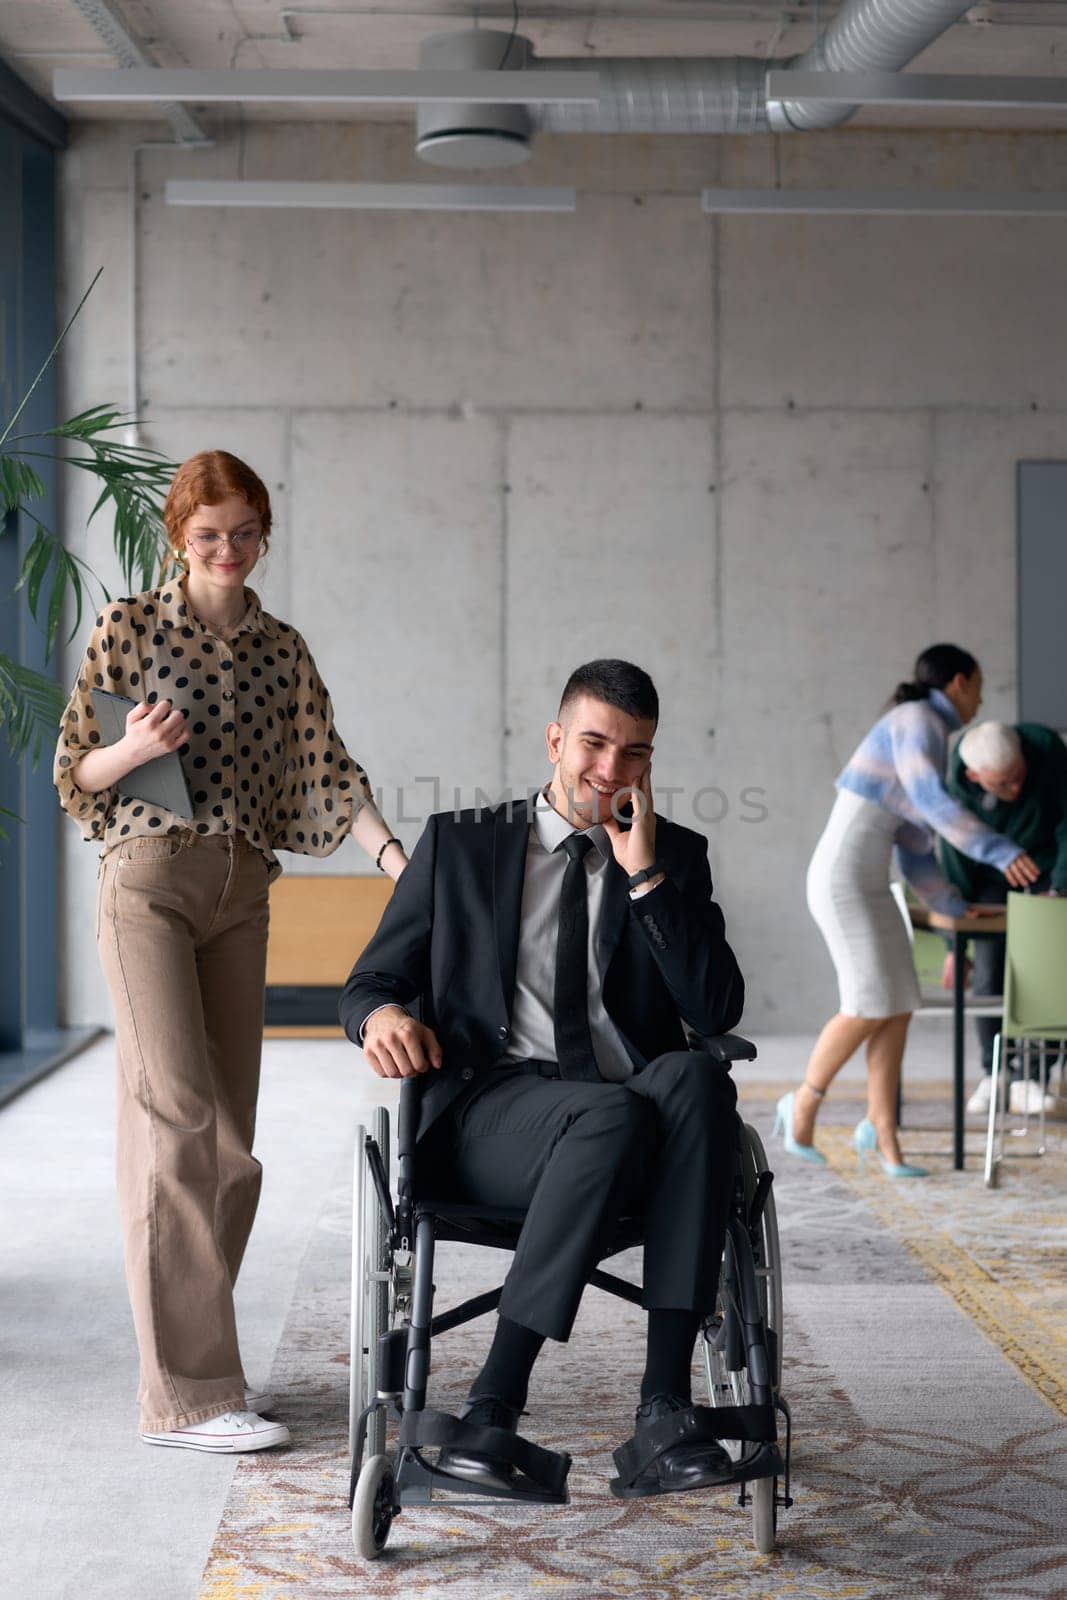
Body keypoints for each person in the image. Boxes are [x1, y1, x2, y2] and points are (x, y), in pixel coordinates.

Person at [54, 450, 408, 1454]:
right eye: (209, 534)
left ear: (264, 534)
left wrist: (393, 857)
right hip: (147, 880)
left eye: (246, 532)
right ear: (179, 536)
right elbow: (76, 766)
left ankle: (193, 1354)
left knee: (230, 1148)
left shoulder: (280, 649)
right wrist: (137, 749)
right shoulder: (130, 626)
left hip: (240, 891)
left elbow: (327, 770)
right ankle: (190, 1397)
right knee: (179, 1123)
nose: (228, 550)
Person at [339, 659, 746, 1496]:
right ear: (556, 740)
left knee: (696, 1085)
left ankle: (664, 1410)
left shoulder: (675, 858)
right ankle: (493, 1407)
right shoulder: (461, 844)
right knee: (611, 1118)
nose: (610, 769)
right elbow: (369, 982)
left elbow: (713, 1012)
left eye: (633, 753)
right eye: (594, 743)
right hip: (492, 1113)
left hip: (624, 1107)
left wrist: (644, 878)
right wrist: (381, 1020)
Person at [778, 644, 1040, 1178]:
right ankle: (802, 1101)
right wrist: (1001, 851)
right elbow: (934, 807)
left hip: (871, 882)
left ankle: (883, 1133)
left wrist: (951, 905)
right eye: (979, 686)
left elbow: (914, 845)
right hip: (843, 881)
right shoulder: (917, 719)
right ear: (959, 682)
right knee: (868, 1003)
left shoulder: (928, 731)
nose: (981, 699)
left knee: (898, 1002)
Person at [939, 720, 1067, 1117]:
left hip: (1048, 869)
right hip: (989, 880)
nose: (1013, 790)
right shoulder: (958, 780)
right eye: (1001, 785)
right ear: (975, 777)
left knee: (1045, 973)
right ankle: (994, 1073)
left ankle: (1034, 1077)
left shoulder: (1046, 748)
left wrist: (1060, 885)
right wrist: (953, 947)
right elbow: (955, 851)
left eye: (1018, 779)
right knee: (990, 971)